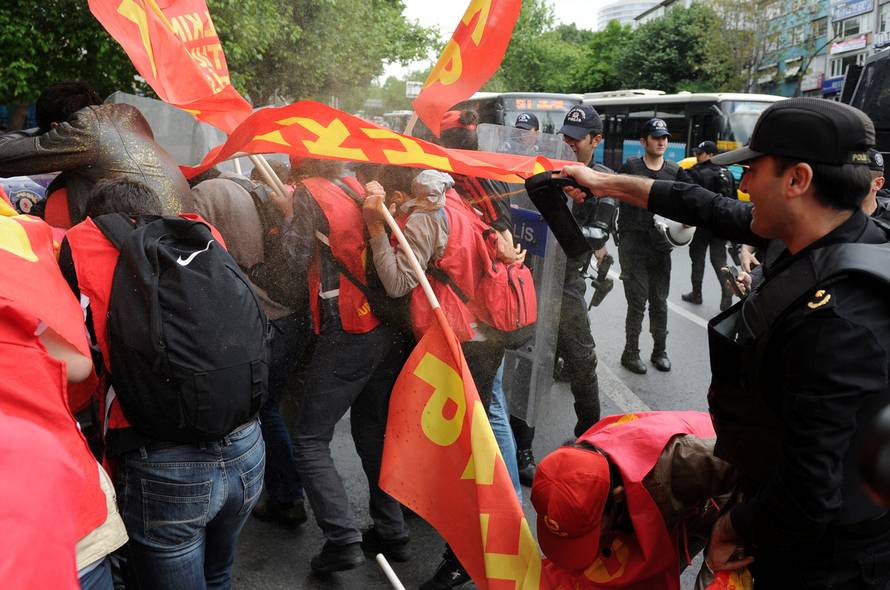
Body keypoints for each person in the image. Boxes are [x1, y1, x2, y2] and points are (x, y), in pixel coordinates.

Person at [562, 98, 890, 588]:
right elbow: (701, 206)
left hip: (819, 558)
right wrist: (604, 182)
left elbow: (809, 491)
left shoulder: (839, 320)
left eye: (754, 171)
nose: (743, 185)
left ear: (798, 180)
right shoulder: (812, 232)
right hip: (769, 488)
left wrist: (730, 527)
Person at [60, 178, 265, 588]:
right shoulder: (199, 233)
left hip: (163, 463)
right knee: (219, 574)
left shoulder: (82, 245)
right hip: (247, 445)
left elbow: (79, 369)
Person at [362, 167, 513, 590]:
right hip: (482, 335)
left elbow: (396, 282)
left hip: (460, 342)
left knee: (462, 457)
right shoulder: (455, 201)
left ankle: (462, 556)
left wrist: (377, 227)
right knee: (469, 445)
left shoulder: (428, 217)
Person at [279, 159, 409, 574]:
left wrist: (283, 216)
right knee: (371, 429)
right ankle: (392, 529)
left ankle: (341, 538)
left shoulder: (309, 194)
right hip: (384, 326)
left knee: (309, 438)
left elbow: (293, 261)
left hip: (348, 326)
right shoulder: (357, 185)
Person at [190, 170, 311, 528]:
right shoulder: (255, 188)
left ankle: (288, 495)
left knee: (261, 409)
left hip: (266, 316)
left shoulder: (206, 195)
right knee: (276, 406)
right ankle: (283, 489)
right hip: (293, 315)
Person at [512, 104, 616, 485]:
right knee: (526, 362)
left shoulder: (602, 181)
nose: (570, 145)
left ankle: (592, 438)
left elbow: (594, 238)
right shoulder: (542, 172)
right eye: (566, 138)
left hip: (567, 286)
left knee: (582, 363)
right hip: (528, 279)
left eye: (578, 139)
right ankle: (521, 446)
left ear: (596, 140)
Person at [533, 412, 735, 589]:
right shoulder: (578, 461)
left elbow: (752, 464)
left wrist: (728, 528)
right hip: (672, 497)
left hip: (726, 491)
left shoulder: (678, 464)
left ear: (618, 495)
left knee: (708, 576)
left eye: (588, 530)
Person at [0, 80, 190, 226]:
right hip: (182, 243)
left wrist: (44, 133)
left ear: (56, 127)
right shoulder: (129, 119)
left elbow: (4, 155)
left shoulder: (83, 130)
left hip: (141, 250)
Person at [617, 118, 691, 374]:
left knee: (659, 301)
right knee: (637, 303)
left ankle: (660, 351)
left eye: (665, 137)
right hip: (634, 246)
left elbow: (689, 202)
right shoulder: (631, 166)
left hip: (661, 249)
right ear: (643, 141)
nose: (662, 141)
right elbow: (617, 200)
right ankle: (630, 353)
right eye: (656, 136)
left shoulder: (675, 172)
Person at [683, 141, 737, 311]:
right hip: (721, 224)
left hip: (702, 224)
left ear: (711, 155)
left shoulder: (699, 172)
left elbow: (692, 199)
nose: (697, 157)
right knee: (719, 260)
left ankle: (696, 294)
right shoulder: (726, 173)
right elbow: (734, 200)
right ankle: (726, 292)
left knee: (697, 259)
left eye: (700, 154)